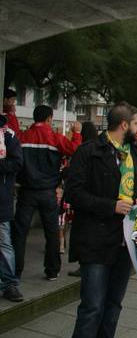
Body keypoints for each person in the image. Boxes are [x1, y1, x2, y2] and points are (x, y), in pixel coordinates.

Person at [65, 102, 137, 338]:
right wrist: (110, 206)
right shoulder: (89, 152)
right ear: (124, 125)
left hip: (123, 242)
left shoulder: (133, 153)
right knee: (92, 306)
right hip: (95, 241)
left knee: (113, 305)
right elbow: (73, 193)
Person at [12, 105, 81, 281]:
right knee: (51, 232)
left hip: (26, 192)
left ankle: (15, 270)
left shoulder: (22, 137)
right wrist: (77, 133)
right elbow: (76, 151)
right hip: (49, 192)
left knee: (20, 233)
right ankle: (52, 270)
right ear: (50, 118)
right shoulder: (55, 138)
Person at [0, 112, 24, 302]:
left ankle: (9, 283)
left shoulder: (8, 136)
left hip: (2, 200)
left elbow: (16, 163)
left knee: (4, 243)